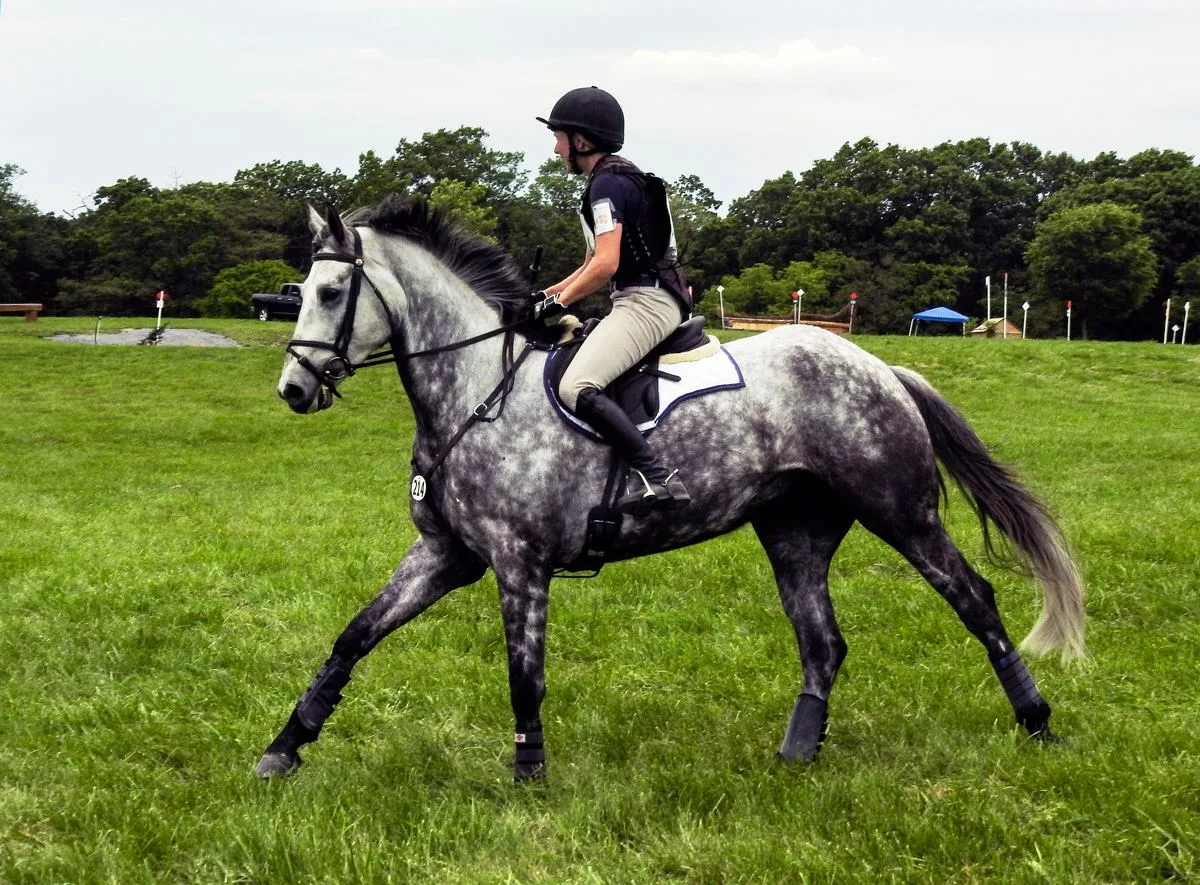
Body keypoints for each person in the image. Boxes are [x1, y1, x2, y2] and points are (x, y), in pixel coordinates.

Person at [533, 86, 693, 515]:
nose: (555, 149)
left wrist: (557, 305)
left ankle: (657, 476)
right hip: (638, 298)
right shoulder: (612, 179)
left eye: (559, 138)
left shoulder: (607, 184)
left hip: (647, 302)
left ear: (580, 142)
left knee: (576, 386)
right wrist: (547, 296)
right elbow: (589, 263)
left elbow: (606, 265)